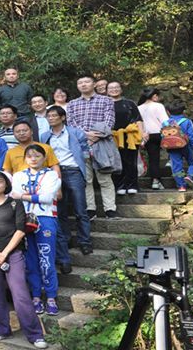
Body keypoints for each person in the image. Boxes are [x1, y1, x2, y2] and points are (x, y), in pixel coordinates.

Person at [0, 172, 48, 349]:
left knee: (20, 293)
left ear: (6, 184)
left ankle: (35, 334)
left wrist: (4, 253)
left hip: (13, 253)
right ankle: (1, 330)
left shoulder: (15, 203)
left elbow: (20, 230)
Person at [11, 145, 62, 316]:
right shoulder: (18, 176)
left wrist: (22, 196)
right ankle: (36, 296)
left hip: (46, 218)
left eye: (37, 156)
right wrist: (31, 197)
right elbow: (13, 196)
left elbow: (47, 198)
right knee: (30, 260)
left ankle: (51, 296)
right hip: (24, 219)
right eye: (29, 156)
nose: (33, 159)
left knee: (46, 259)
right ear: (25, 158)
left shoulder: (52, 174)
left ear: (44, 158)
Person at [41, 106, 93, 272]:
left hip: (73, 170)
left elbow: (86, 151)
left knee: (80, 209)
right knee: (60, 210)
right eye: (49, 116)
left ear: (62, 117)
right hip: (53, 174)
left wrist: (84, 165)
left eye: (54, 115)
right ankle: (67, 238)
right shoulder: (45, 136)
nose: (51, 118)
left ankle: (85, 241)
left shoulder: (75, 133)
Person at [66, 75, 119, 220]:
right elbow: (71, 123)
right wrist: (86, 135)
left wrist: (95, 136)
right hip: (81, 145)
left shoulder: (106, 100)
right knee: (86, 179)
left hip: (102, 144)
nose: (83, 84)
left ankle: (110, 209)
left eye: (87, 81)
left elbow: (109, 121)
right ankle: (90, 209)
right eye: (80, 82)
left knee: (105, 178)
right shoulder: (72, 104)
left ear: (94, 84)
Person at [107, 82, 145, 195]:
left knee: (131, 161)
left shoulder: (129, 103)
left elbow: (138, 119)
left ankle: (132, 184)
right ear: (107, 90)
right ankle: (120, 185)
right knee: (117, 161)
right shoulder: (105, 104)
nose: (114, 89)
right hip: (113, 136)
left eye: (116, 87)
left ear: (121, 89)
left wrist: (142, 134)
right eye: (111, 88)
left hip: (130, 136)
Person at [163, 101, 193, 192]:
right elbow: (192, 135)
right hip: (186, 146)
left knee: (176, 166)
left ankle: (181, 186)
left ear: (168, 112)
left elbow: (163, 135)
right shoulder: (187, 121)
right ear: (183, 111)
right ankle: (190, 176)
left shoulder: (165, 123)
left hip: (172, 147)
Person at [138, 88, 170, 190]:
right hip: (160, 133)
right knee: (172, 152)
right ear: (154, 96)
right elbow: (165, 121)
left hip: (146, 135)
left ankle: (155, 181)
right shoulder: (158, 106)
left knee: (153, 159)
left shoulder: (138, 107)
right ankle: (172, 167)